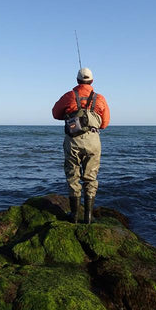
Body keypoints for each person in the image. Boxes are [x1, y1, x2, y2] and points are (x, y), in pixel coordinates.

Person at [52, 68, 110, 224]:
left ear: (77, 80)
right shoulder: (100, 98)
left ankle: (74, 216)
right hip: (93, 141)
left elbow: (55, 113)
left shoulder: (69, 96)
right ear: (91, 81)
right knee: (91, 178)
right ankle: (89, 217)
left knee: (73, 177)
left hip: (73, 141)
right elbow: (105, 123)